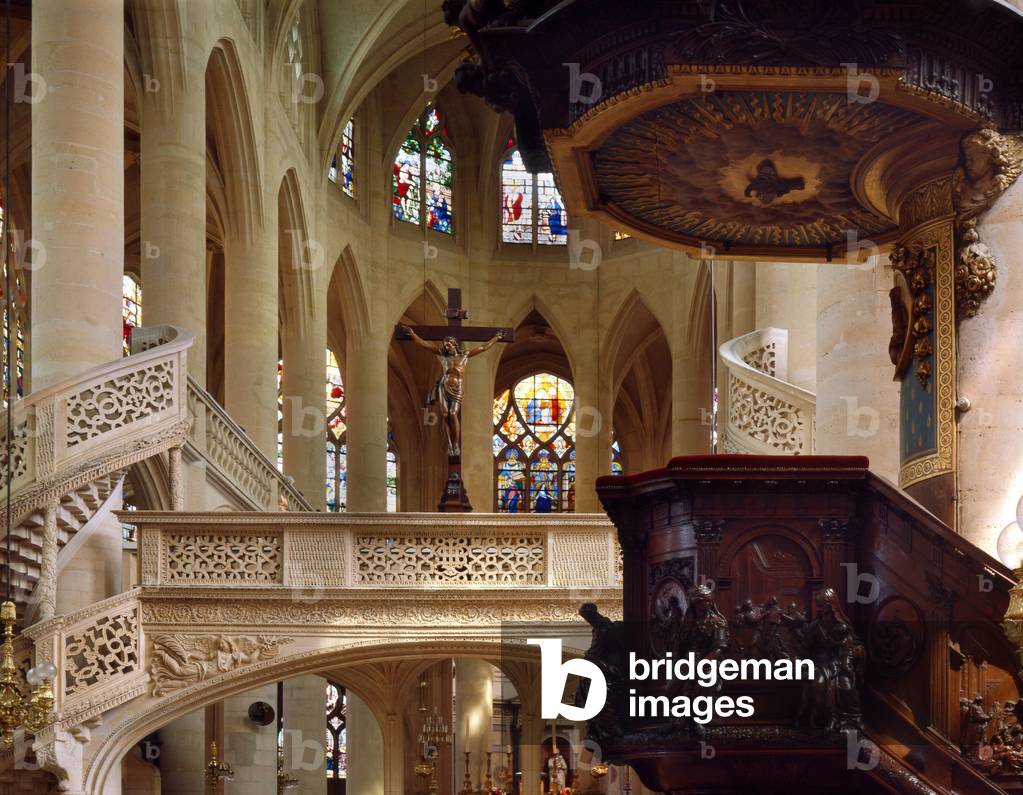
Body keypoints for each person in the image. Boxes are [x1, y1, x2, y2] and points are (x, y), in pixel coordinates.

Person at [400, 326, 504, 455]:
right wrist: (413, 335)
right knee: (445, 415)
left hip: (457, 387)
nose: (446, 347)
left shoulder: (465, 355)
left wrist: (496, 338)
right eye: (445, 346)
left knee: (453, 413)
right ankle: (449, 445)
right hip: (443, 387)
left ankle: (456, 444)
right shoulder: (443, 356)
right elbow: (425, 346)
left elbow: (483, 347)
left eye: (448, 345)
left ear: (454, 344)